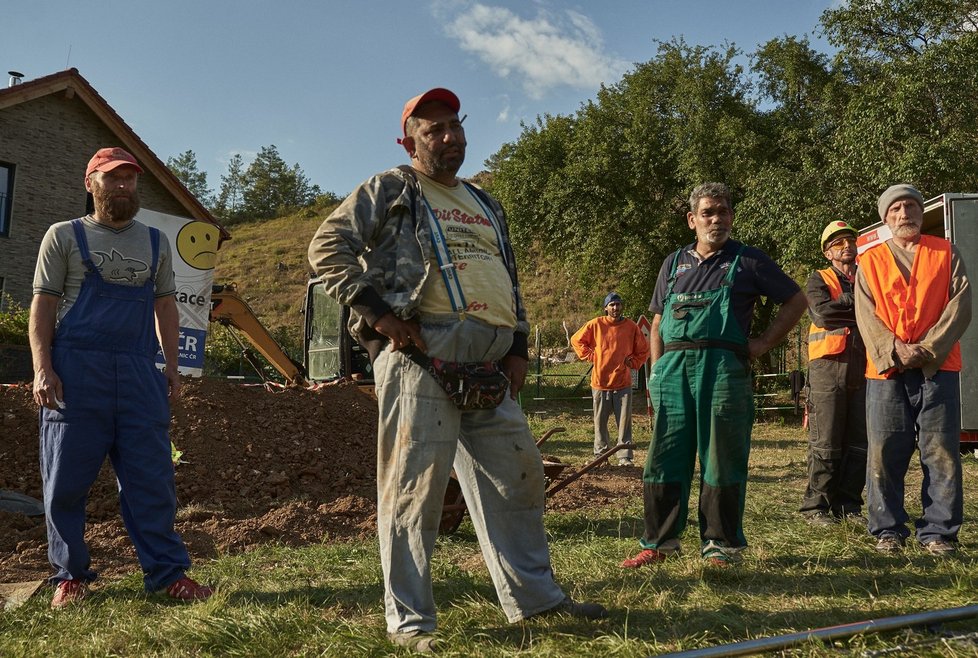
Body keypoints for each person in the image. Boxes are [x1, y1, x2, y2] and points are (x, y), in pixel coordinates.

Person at [307, 88, 606, 652]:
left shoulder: (486, 203)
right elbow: (327, 247)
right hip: (422, 355)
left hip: (488, 363)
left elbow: (507, 277)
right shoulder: (391, 188)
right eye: (434, 129)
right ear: (410, 140)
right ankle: (412, 623)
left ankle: (535, 600)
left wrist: (517, 345)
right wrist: (377, 313)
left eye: (455, 126)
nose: (450, 137)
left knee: (518, 477)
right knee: (414, 491)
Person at [29, 147, 213, 608]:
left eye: (130, 179)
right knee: (65, 483)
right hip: (75, 373)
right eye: (113, 179)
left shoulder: (154, 241)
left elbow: (166, 307)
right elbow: (44, 307)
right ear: (90, 183)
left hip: (137, 373)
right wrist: (42, 368)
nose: (124, 186)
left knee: (151, 481)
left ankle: (168, 575)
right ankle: (70, 577)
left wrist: (171, 368)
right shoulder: (63, 236)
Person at [622, 182, 807, 568]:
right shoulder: (672, 264)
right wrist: (655, 377)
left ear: (731, 217)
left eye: (723, 212)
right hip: (672, 371)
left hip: (723, 369)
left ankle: (720, 546)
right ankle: (659, 543)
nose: (716, 219)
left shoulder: (749, 261)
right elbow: (657, 323)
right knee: (664, 456)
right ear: (692, 220)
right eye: (708, 212)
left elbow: (796, 299)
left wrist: (763, 343)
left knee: (721, 456)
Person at [855, 184, 972, 555]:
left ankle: (939, 532)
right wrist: (893, 350)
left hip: (938, 367)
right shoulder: (869, 261)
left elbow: (961, 304)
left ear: (921, 212)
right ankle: (887, 530)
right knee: (885, 451)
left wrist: (928, 348)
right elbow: (866, 314)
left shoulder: (946, 252)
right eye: (896, 209)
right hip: (887, 370)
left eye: (910, 206)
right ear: (886, 218)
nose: (904, 213)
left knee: (941, 451)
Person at [800, 221, 867, 526]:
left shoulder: (868, 276)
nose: (846, 247)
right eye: (838, 243)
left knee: (859, 441)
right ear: (828, 252)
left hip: (865, 364)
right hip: (827, 368)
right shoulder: (819, 279)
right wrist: (857, 303)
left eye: (849, 241)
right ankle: (816, 507)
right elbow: (822, 314)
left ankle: (848, 506)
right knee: (825, 441)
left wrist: (847, 306)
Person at [571, 292, 650, 466]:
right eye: (612, 305)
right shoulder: (596, 324)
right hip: (600, 382)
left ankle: (625, 457)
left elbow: (644, 349)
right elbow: (576, 340)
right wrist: (591, 355)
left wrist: (633, 361)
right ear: (606, 307)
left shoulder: (631, 327)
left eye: (618, 304)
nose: (616, 308)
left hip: (622, 382)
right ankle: (601, 456)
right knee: (600, 422)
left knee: (624, 422)